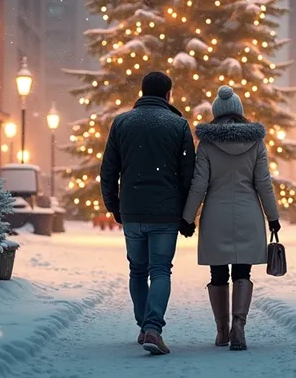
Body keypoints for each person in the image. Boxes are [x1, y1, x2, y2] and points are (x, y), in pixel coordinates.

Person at [100, 71, 196, 355]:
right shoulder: (178, 125)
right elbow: (188, 175)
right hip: (166, 212)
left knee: (137, 270)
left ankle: (144, 326)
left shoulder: (122, 123)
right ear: (168, 95)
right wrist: (188, 214)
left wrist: (113, 205)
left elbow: (108, 170)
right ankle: (153, 327)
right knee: (160, 270)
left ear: (142, 92)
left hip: (132, 209)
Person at [183, 85, 281, 351]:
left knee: (218, 273)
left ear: (216, 114)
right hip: (248, 212)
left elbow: (198, 184)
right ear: (239, 112)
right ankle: (239, 327)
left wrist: (188, 217)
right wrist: (273, 217)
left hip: (216, 214)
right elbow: (264, 183)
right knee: (242, 270)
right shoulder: (256, 142)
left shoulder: (206, 144)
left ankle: (221, 330)